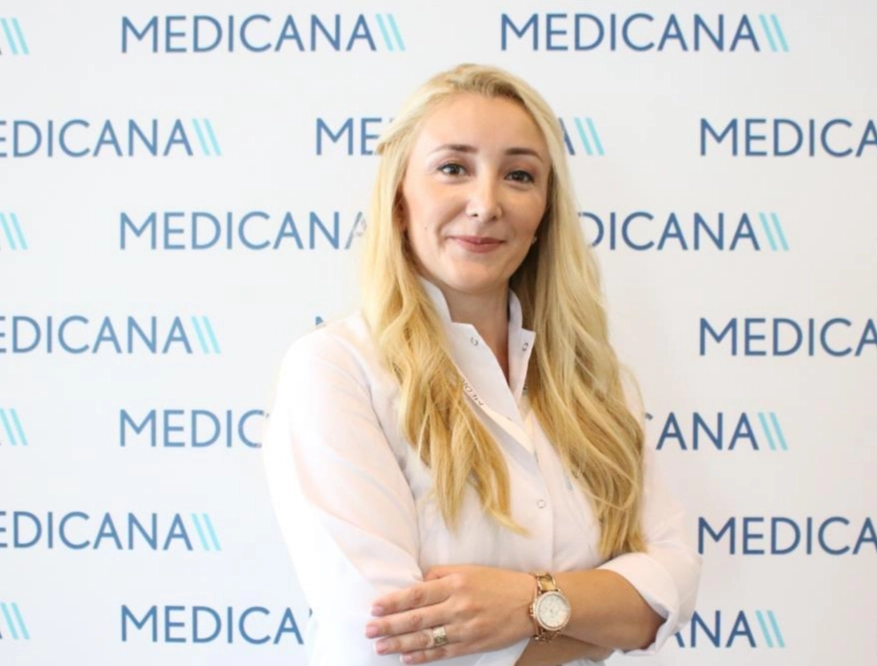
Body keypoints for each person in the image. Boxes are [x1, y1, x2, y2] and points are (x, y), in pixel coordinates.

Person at [262, 63, 700, 665]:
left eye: (519, 175)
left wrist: (526, 604)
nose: (486, 203)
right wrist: (596, 621)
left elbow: (670, 584)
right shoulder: (336, 370)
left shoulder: (591, 382)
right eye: (453, 168)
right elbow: (387, 642)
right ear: (399, 198)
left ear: (545, 212)